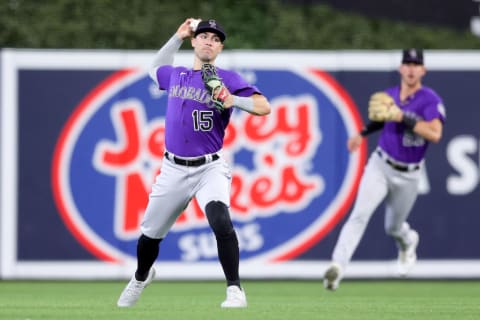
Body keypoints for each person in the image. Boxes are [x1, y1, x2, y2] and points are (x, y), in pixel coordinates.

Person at [117, 18, 271, 307]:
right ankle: (140, 277)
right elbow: (153, 69)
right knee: (149, 237)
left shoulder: (229, 78)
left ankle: (235, 290)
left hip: (209, 167)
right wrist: (176, 36)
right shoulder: (177, 75)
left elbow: (265, 107)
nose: (209, 41)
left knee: (220, 220)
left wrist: (233, 100)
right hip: (172, 168)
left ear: (220, 47)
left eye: (215, 38)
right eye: (204, 36)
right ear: (194, 42)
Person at [323, 49, 446, 291]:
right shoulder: (389, 95)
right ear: (401, 68)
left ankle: (408, 241)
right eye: (407, 63)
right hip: (380, 165)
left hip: (408, 174)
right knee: (359, 215)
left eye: (416, 64)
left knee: (393, 227)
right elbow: (381, 119)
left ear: (423, 70)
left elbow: (435, 133)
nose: (411, 68)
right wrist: (361, 133)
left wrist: (403, 117)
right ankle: (337, 268)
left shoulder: (430, 99)